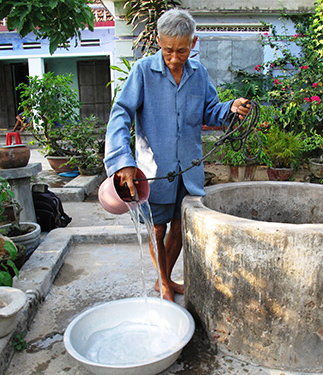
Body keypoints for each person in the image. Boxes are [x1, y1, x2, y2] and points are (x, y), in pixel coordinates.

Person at [104, 8, 249, 302]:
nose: (173, 57)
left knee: (182, 225)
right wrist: (124, 162)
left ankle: (165, 279)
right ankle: (164, 282)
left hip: (189, 168)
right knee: (157, 229)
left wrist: (231, 108)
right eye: (168, 49)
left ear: (192, 44)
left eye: (181, 51)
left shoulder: (199, 74)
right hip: (155, 171)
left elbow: (211, 111)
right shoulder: (143, 71)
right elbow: (121, 114)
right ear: (158, 41)